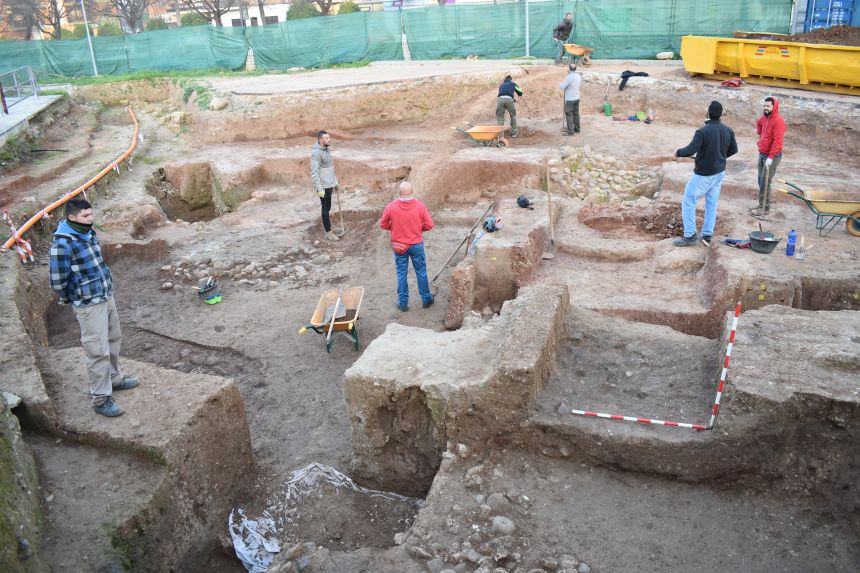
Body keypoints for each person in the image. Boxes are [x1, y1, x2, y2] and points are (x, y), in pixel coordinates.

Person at [49, 197, 138, 417]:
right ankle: (101, 399)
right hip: (89, 305)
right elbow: (57, 280)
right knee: (97, 350)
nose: (91, 219)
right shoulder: (63, 243)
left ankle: (115, 379)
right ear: (71, 217)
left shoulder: (87, 233)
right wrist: (74, 297)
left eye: (91, 214)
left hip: (106, 296)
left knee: (113, 338)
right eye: (86, 216)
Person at [673, 101, 738, 248]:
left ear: (708, 113)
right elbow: (734, 149)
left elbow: (690, 150)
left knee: (688, 200)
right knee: (711, 203)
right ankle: (707, 234)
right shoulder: (728, 130)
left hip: (704, 174)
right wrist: (719, 157)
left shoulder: (702, 131)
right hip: (719, 172)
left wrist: (679, 152)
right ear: (720, 114)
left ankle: (689, 235)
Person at [379, 181, 435, 312]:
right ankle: (426, 300)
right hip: (416, 244)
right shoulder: (420, 206)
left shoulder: (391, 207)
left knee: (401, 273)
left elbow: (383, 224)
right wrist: (418, 229)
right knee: (421, 272)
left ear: (399, 192)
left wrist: (395, 228)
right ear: (412, 192)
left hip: (399, 246)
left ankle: (403, 303)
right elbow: (430, 225)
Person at [750, 96, 786, 218]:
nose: (765, 108)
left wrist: (770, 157)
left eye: (768, 106)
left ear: (774, 106)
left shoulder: (778, 121)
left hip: (773, 156)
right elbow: (759, 125)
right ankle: (761, 204)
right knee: (761, 179)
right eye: (764, 105)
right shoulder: (763, 119)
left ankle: (765, 208)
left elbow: (778, 141)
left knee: (765, 181)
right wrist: (761, 140)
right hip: (762, 153)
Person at [310, 130, 340, 242]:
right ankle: (328, 232)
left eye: (329, 138)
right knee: (325, 208)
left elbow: (330, 167)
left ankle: (329, 228)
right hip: (323, 186)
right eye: (326, 138)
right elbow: (314, 172)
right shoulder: (316, 153)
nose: (329, 140)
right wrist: (319, 188)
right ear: (320, 139)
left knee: (328, 207)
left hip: (329, 184)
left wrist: (335, 181)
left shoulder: (327, 150)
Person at [559, 63, 581, 136]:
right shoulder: (578, 76)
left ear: (569, 69)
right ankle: (577, 129)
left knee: (569, 114)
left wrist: (560, 83)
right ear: (576, 69)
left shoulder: (569, 77)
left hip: (570, 99)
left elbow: (562, 87)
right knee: (576, 114)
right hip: (577, 98)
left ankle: (570, 131)